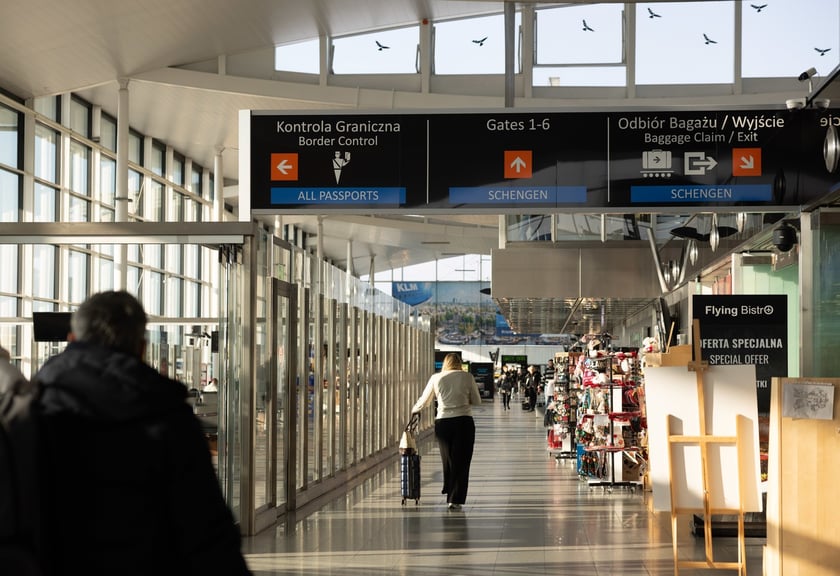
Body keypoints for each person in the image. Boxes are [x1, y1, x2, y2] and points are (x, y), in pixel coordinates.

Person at [31, 291, 251, 576]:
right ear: (141, 347)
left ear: (72, 339)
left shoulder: (32, 407)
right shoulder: (169, 417)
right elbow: (204, 526)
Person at [411, 352, 482, 510]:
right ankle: (455, 498)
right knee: (462, 461)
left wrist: (414, 410)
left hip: (443, 422)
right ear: (459, 363)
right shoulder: (467, 377)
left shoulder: (436, 378)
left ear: (445, 363)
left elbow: (424, 400)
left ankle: (449, 489)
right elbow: (477, 401)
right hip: (464, 421)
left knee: (448, 459)